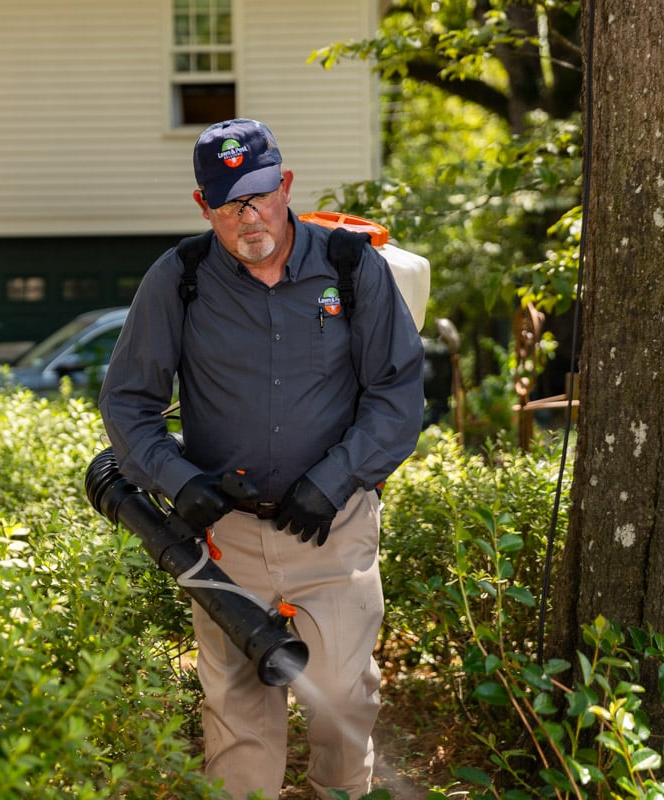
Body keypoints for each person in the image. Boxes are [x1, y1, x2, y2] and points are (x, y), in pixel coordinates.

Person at [98, 118, 424, 800]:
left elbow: (397, 394)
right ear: (202, 205)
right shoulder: (179, 280)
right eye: (228, 203)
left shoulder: (349, 268)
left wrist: (332, 482)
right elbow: (129, 403)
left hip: (333, 534)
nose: (248, 217)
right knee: (239, 720)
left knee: (343, 701)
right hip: (228, 543)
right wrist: (180, 484)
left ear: (287, 184)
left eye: (259, 195)